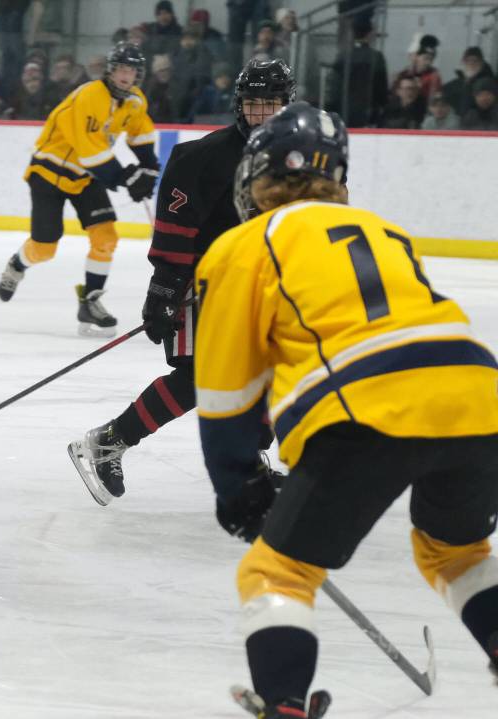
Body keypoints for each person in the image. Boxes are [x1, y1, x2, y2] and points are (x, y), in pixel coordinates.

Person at [194, 100, 498, 716]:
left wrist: (238, 486)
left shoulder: (245, 243)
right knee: (455, 553)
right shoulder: (384, 230)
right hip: (481, 397)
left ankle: (283, 702)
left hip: (365, 409)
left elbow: (227, 388)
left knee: (275, 573)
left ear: (256, 176)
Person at [68, 58, 294, 503]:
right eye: (254, 105)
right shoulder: (205, 156)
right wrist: (165, 289)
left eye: (272, 105)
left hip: (266, 289)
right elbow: (176, 224)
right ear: (239, 106)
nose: (262, 114)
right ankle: (106, 443)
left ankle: (252, 462)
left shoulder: (297, 157)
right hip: (204, 284)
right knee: (199, 377)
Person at [0, 42, 159, 337]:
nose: (126, 75)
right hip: (49, 171)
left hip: (85, 177)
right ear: (110, 70)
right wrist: (126, 177)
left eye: (131, 70)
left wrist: (148, 170)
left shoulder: (135, 100)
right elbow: (90, 152)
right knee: (45, 247)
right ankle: (16, 265)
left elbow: (141, 135)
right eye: (121, 68)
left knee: (106, 238)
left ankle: (90, 301)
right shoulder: (89, 96)